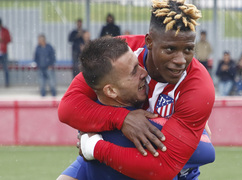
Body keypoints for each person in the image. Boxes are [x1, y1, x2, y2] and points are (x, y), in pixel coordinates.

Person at [58, 0, 215, 179]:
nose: (180, 60)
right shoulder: (122, 53)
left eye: (188, 49)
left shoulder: (198, 87)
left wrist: (94, 147)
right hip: (112, 157)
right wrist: (122, 119)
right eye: (170, 49)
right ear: (149, 41)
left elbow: (170, 164)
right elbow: (68, 107)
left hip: (165, 170)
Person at [0, 18, 12, 87]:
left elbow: (9, 39)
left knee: (6, 69)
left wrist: (3, 40)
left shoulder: (5, 30)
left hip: (3, 52)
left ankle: (7, 83)